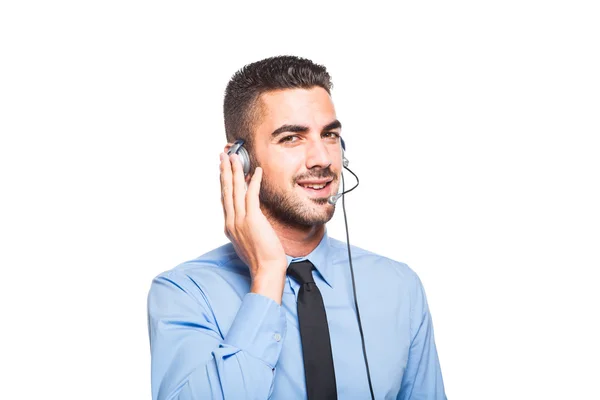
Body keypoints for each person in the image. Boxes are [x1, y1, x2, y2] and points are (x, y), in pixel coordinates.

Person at [147, 55, 446, 400]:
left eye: (330, 135)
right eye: (292, 138)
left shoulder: (398, 287)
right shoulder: (184, 293)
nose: (321, 158)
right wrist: (268, 274)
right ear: (239, 160)